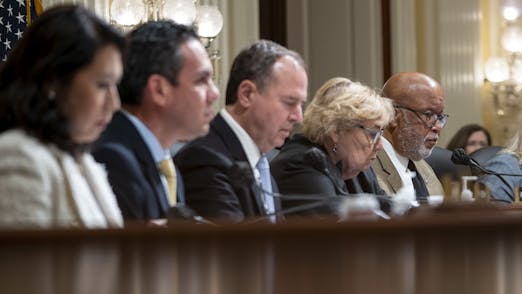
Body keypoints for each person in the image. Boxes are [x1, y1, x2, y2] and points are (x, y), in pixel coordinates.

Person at [0, 5, 124, 229]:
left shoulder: (84, 161)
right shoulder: (18, 156)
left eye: (116, 86)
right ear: (53, 81)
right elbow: (23, 263)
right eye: (102, 85)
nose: (114, 104)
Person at [93, 20, 220, 221]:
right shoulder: (114, 159)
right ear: (159, 89)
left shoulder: (167, 166)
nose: (214, 94)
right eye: (201, 81)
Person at [174, 40, 308, 222]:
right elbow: (234, 247)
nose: (298, 117)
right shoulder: (205, 159)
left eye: (301, 104)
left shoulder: (263, 170)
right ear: (246, 94)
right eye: (289, 102)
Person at [270, 77, 393, 216]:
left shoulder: (358, 169)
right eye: (373, 134)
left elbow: (389, 210)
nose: (380, 145)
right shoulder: (300, 165)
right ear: (336, 129)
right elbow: (338, 233)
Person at [371, 72, 446, 203]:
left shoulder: (425, 170)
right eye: (428, 114)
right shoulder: (367, 168)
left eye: (440, 117)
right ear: (393, 115)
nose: (438, 126)